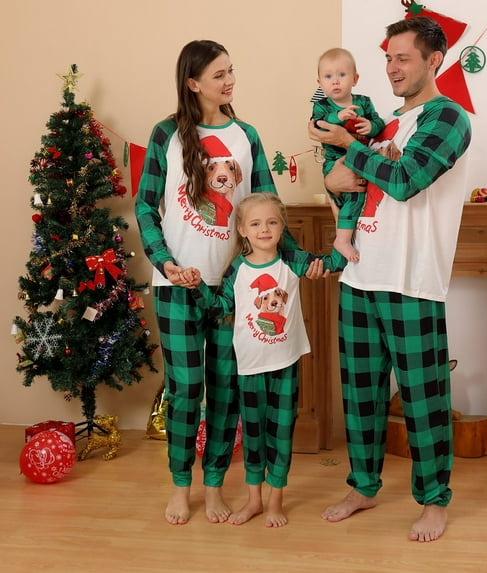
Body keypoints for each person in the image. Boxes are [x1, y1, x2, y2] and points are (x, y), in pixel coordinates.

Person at [308, 16, 472, 542]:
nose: (392, 67)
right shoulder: (383, 126)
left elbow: (404, 180)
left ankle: (434, 501)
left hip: (411, 281)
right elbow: (346, 185)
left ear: (433, 60)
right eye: (387, 58)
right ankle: (363, 486)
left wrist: (346, 148)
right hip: (360, 274)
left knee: (423, 398)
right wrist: (333, 176)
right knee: (361, 395)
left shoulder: (448, 118)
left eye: (403, 58)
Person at [135, 40, 303, 526]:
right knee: (186, 390)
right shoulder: (166, 134)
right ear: (193, 83)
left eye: (231, 71)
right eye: (218, 74)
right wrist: (166, 262)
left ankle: (213, 488)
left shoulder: (246, 136)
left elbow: (270, 208)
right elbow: (145, 206)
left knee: (226, 392)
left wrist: (308, 261)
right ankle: (180, 487)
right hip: (177, 287)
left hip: (234, 289)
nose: (229, 81)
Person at [187, 192, 346, 527]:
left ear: (282, 227)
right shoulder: (237, 269)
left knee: (281, 434)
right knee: (255, 436)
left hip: (285, 366)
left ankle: (275, 502)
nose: (264, 229)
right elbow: (220, 308)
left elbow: (334, 263)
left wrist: (343, 223)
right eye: (256, 223)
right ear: (242, 230)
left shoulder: (292, 261)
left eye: (272, 222)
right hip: (249, 367)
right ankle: (254, 501)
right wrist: (198, 286)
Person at [312, 48, 385, 262]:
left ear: (355, 79)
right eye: (328, 76)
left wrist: (371, 126)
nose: (335, 81)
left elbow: (379, 123)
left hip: (360, 160)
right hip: (335, 161)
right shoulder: (322, 106)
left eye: (342, 75)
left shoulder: (364, 102)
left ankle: (354, 237)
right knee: (352, 194)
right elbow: (318, 124)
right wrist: (338, 116)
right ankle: (342, 240)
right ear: (320, 82)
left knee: (361, 194)